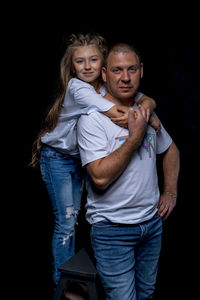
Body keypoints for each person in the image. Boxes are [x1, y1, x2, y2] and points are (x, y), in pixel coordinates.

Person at [30, 33, 160, 288]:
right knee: (67, 222)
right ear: (72, 67)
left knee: (90, 215)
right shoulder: (78, 87)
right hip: (58, 158)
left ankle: (93, 272)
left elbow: (145, 98)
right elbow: (115, 112)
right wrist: (144, 118)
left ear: (102, 68)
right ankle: (63, 284)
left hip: (81, 158)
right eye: (80, 62)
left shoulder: (104, 87)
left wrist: (148, 107)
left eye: (92, 60)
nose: (86, 67)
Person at [77, 42, 180, 300]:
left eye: (132, 69)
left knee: (146, 294)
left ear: (141, 71)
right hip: (113, 230)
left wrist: (170, 192)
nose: (125, 77)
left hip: (151, 225)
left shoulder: (145, 110)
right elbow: (99, 177)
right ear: (103, 74)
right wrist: (135, 137)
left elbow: (171, 151)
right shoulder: (92, 118)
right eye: (117, 70)